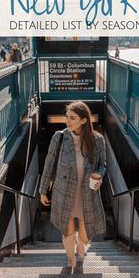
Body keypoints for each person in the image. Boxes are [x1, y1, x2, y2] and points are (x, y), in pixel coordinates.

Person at [39, 101, 106, 267]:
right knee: (67, 231)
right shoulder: (59, 137)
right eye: (66, 117)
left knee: (85, 235)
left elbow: (102, 164)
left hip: (87, 193)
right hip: (63, 191)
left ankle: (81, 245)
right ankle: (70, 258)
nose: (67, 121)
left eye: (72, 118)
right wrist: (43, 190)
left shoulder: (97, 140)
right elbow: (49, 164)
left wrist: (100, 175)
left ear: (84, 120)